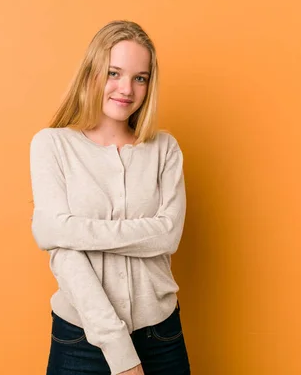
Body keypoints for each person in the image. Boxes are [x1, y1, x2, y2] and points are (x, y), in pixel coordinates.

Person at [29, 20, 190, 375]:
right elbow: (67, 259)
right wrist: (121, 352)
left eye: (140, 78)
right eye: (114, 72)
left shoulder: (165, 150)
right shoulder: (52, 145)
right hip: (81, 340)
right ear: (92, 73)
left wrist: (66, 229)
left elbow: (168, 236)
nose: (126, 89)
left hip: (162, 335)